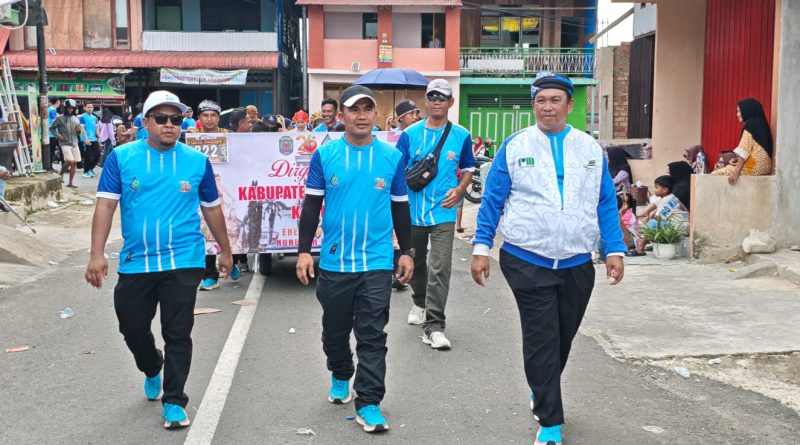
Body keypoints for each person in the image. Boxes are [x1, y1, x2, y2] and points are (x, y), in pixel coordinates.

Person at [470, 72, 625, 445]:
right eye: (541, 100)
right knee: (541, 338)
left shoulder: (589, 149)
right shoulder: (515, 145)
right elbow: (493, 200)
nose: (548, 107)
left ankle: (542, 387)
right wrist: (481, 247)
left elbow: (605, 201)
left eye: (556, 100)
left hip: (575, 261)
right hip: (526, 258)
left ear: (569, 106)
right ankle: (550, 421)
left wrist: (614, 248)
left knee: (562, 336)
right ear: (534, 105)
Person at [85, 90, 233, 430]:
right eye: (162, 118)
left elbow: (211, 208)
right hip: (137, 262)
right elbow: (105, 206)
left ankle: (175, 400)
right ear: (146, 122)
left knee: (178, 332)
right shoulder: (121, 158)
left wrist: (224, 249)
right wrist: (96, 254)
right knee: (132, 326)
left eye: (176, 119)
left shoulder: (197, 162)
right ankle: (152, 366)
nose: (170, 125)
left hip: (184, 260)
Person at [296, 85, 414, 433]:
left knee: (372, 334)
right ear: (342, 115)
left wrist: (405, 251)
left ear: (375, 115)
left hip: (376, 261)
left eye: (367, 109)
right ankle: (340, 371)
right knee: (335, 331)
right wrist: (305, 250)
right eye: (354, 109)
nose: (361, 115)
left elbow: (400, 207)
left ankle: (370, 402)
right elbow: (311, 206)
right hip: (334, 262)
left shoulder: (392, 157)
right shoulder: (326, 155)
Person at [396, 79, 475, 349]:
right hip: (413, 213)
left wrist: (460, 189)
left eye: (443, 97)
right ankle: (419, 302)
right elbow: (396, 171)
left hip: (443, 212)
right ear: (426, 102)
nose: (437, 101)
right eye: (432, 97)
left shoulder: (462, 135)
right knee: (417, 264)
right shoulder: (410, 135)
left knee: (440, 268)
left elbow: (468, 168)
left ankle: (435, 326)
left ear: (451, 102)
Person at [188, 100, 238, 290]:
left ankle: (232, 260)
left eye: (213, 115)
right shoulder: (189, 137)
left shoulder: (230, 137)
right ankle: (210, 274)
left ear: (219, 118)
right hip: (201, 189)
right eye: (205, 115)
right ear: (199, 118)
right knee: (205, 230)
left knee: (231, 225)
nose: (209, 119)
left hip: (227, 187)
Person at [712, 98, 773, 185]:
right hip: (765, 168)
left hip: (753, 168)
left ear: (747, 110)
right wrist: (737, 159)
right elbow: (756, 150)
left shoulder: (750, 126)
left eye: (739, 111)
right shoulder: (762, 125)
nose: (737, 114)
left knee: (715, 173)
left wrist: (736, 171)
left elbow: (744, 150)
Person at [635, 175, 689, 254]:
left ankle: (640, 249)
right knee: (654, 223)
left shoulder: (667, 200)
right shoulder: (671, 197)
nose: (654, 190)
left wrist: (650, 217)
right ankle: (654, 244)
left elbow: (658, 218)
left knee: (653, 224)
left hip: (679, 229)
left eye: (656, 187)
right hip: (682, 227)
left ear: (665, 190)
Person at [49, 99, 87, 189]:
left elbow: (78, 131)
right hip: (65, 143)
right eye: (69, 108)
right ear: (65, 108)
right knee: (70, 161)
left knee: (74, 164)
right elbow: (52, 128)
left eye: (72, 108)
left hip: (74, 143)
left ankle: (70, 183)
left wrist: (78, 131)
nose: (70, 110)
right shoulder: (59, 118)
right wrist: (58, 136)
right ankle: (60, 173)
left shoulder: (76, 119)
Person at [79, 103, 101, 178]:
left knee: (97, 154)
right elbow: (82, 129)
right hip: (86, 139)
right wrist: (86, 138)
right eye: (88, 107)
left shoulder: (95, 117)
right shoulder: (82, 117)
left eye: (91, 107)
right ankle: (85, 172)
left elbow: (96, 128)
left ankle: (91, 168)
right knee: (87, 156)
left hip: (94, 139)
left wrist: (99, 136)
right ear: (85, 108)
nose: (90, 108)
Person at [48, 98, 61, 165]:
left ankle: (50, 165)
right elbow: (55, 121)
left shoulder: (51, 109)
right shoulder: (52, 110)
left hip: (52, 133)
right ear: (57, 102)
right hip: (53, 134)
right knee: (53, 150)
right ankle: (49, 166)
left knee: (51, 150)